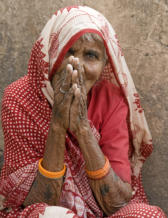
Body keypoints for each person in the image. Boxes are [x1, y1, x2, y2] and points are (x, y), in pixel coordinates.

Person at [0, 5, 166, 218]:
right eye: (67, 51)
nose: (76, 64)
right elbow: (38, 202)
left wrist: (82, 128)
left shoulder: (111, 101)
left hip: (101, 211)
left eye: (90, 55)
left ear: (104, 63)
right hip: (40, 211)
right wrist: (58, 124)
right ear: (52, 52)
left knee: (146, 214)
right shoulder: (20, 97)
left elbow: (116, 204)